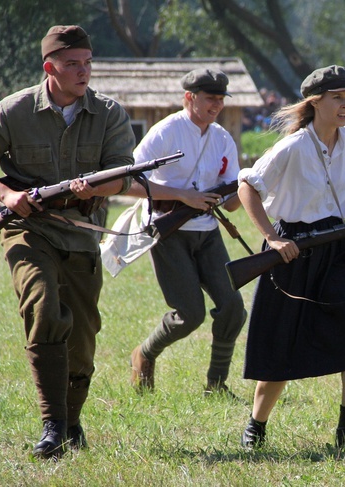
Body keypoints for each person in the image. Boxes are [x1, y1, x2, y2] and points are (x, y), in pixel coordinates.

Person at [0, 25, 136, 459]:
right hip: (27, 229)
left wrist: (96, 189)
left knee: (83, 335)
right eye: (73, 63)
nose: (84, 71)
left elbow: (124, 174)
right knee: (43, 307)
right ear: (49, 67)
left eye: (88, 62)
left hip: (80, 233)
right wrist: (7, 195)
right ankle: (52, 425)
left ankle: (72, 423)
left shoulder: (109, 113)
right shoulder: (14, 110)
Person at [237, 65, 345, 449]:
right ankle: (256, 426)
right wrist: (272, 239)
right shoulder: (292, 146)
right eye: (337, 98)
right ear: (315, 101)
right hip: (293, 251)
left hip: (337, 248)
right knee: (281, 347)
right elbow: (247, 187)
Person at [127, 69, 247, 397]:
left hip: (207, 231)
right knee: (190, 314)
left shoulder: (222, 137)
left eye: (221, 99)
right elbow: (130, 182)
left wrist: (253, 187)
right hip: (169, 233)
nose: (217, 105)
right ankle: (145, 353)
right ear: (189, 98)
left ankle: (217, 385)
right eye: (210, 98)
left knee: (233, 308)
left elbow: (233, 201)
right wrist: (182, 196)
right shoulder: (165, 131)